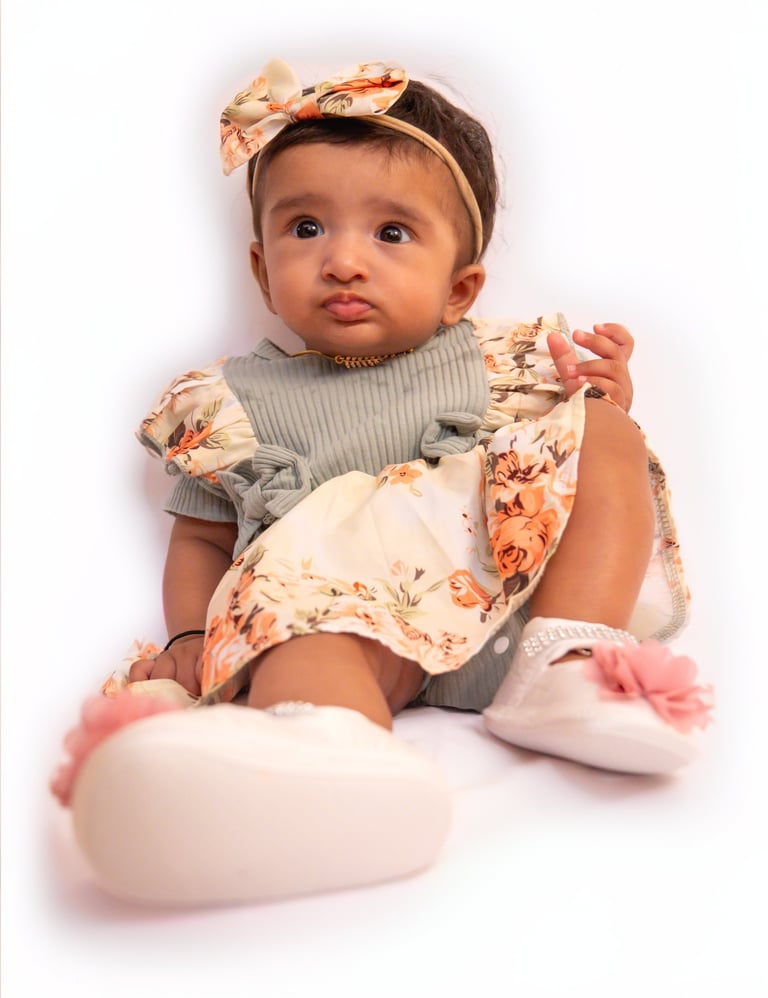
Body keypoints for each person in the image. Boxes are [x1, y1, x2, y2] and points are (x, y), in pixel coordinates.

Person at [51, 59, 713, 907]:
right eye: (306, 229)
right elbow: (203, 535)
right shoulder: (233, 404)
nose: (344, 262)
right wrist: (188, 638)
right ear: (261, 270)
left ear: (459, 289)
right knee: (299, 643)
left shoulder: (494, 365)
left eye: (391, 234)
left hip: (499, 613)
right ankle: (333, 769)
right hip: (342, 619)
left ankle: (566, 663)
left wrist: (598, 404)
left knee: (607, 434)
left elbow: (567, 467)